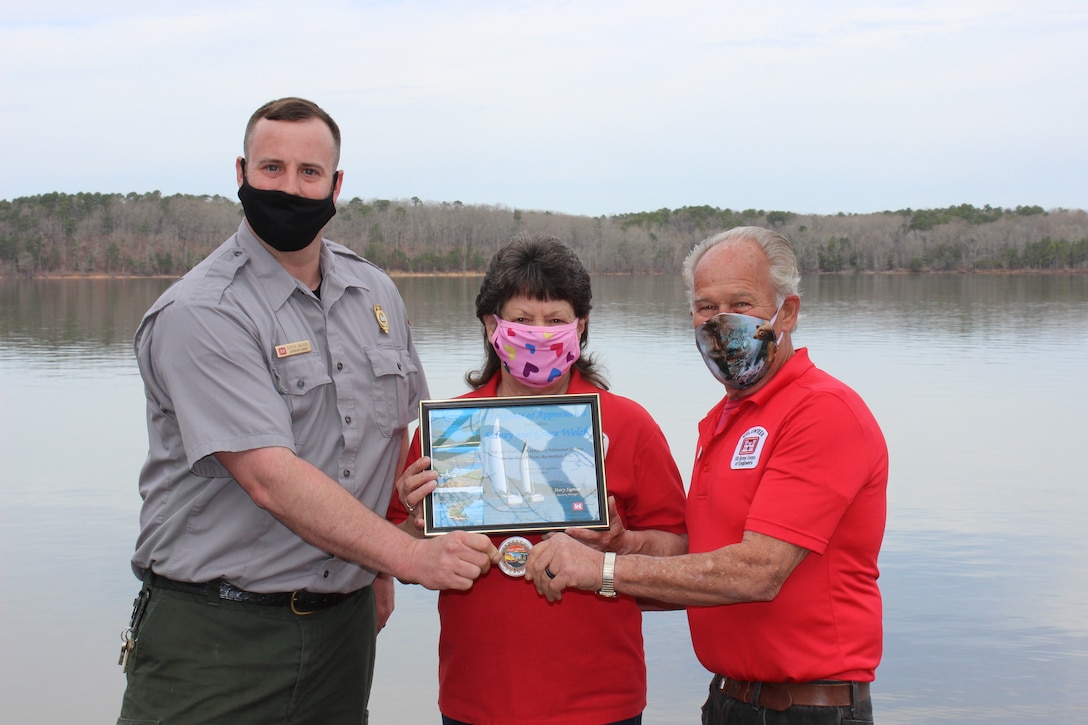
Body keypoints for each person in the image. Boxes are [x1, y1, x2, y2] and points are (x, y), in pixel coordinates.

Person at [117, 97, 496, 725]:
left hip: (341, 636)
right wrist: (404, 557)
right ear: (241, 173)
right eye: (271, 169)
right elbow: (270, 476)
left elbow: (396, 435)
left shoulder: (373, 291)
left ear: (336, 185)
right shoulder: (204, 311)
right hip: (216, 636)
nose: (289, 188)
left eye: (309, 173)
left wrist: (374, 564)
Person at [524, 226, 888, 724]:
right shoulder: (729, 418)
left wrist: (600, 571)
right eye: (706, 307)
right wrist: (620, 544)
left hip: (807, 709)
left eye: (742, 302)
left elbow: (759, 571)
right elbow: (701, 557)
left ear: (788, 312)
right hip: (730, 700)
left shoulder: (822, 412)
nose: (721, 322)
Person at [388, 234, 688, 725]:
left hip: (601, 704)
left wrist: (623, 543)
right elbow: (399, 559)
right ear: (492, 325)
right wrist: (417, 532)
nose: (539, 334)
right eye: (522, 321)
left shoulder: (631, 426)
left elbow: (682, 553)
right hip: (475, 701)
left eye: (556, 321)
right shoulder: (447, 433)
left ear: (581, 327)